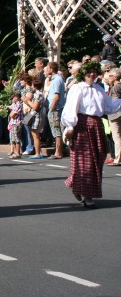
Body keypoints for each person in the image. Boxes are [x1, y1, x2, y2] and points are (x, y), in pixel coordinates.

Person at [61, 62, 121, 208]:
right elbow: (70, 109)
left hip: (96, 125)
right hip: (81, 126)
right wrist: (70, 127)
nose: (92, 74)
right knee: (85, 161)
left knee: (99, 158)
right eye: (89, 72)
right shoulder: (77, 88)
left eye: (94, 71)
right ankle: (87, 195)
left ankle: (74, 182)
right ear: (83, 73)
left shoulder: (99, 89)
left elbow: (109, 107)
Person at [45, 61, 66, 159]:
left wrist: (51, 109)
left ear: (51, 69)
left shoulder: (57, 79)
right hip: (56, 108)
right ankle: (58, 151)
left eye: (47, 68)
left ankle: (58, 152)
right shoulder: (55, 79)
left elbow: (56, 96)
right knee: (56, 130)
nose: (46, 69)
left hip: (56, 109)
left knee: (56, 130)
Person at [23, 78, 46, 159]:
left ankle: (37, 153)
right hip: (36, 115)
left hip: (37, 115)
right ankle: (38, 152)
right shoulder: (37, 93)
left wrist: (27, 101)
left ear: (35, 86)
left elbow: (35, 107)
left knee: (35, 134)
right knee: (34, 134)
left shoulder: (38, 94)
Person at [108, 68, 121, 166]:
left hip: (116, 115)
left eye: (110, 75)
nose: (109, 77)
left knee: (116, 136)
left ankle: (118, 158)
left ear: (115, 77)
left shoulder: (115, 88)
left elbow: (115, 102)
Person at [7, 93, 24, 158]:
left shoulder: (19, 104)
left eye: (13, 97)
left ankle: (18, 153)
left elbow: (12, 115)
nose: (12, 99)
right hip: (13, 123)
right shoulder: (14, 104)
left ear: (17, 98)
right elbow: (11, 107)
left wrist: (11, 113)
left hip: (17, 123)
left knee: (17, 138)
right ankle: (14, 152)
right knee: (13, 138)